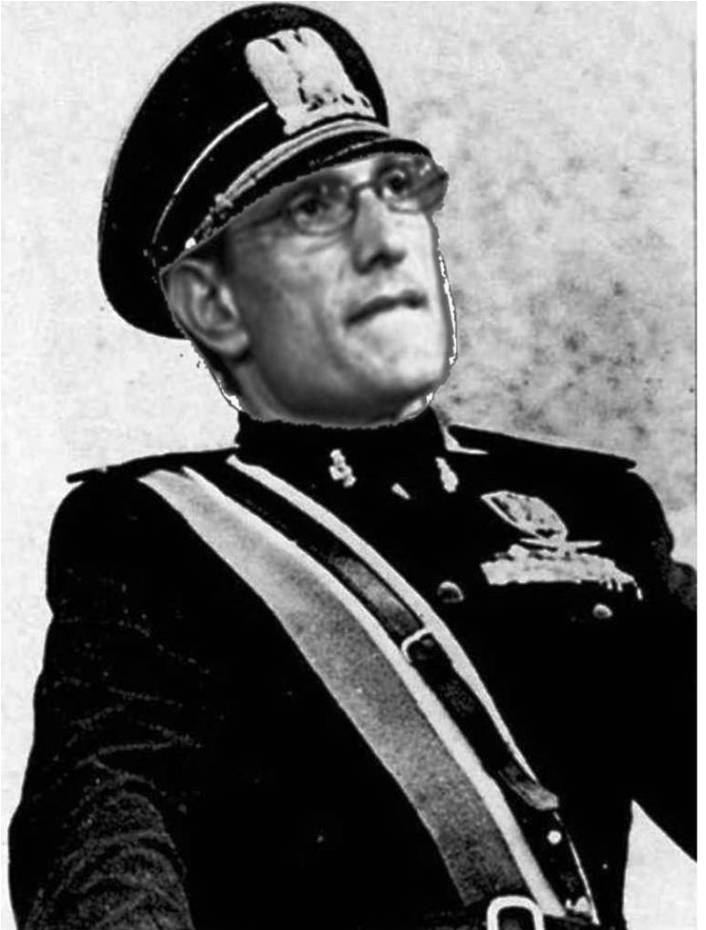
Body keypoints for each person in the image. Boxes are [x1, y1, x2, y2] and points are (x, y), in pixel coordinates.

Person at [9, 5, 694, 930]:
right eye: (318, 211)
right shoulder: (155, 536)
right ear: (213, 305)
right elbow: (102, 826)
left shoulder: (595, 509)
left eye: (398, 191)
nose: (389, 238)